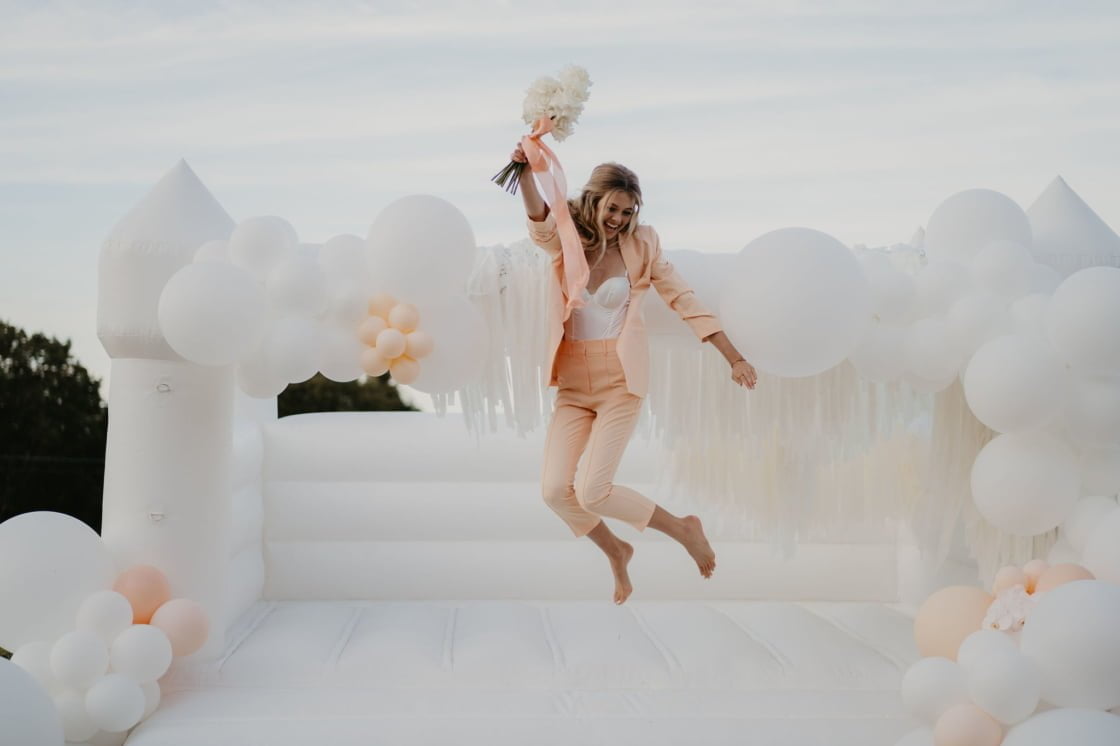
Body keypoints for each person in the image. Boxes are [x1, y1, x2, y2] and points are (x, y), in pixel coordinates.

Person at [511, 143, 758, 605]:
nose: (619, 219)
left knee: (594, 492)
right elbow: (538, 218)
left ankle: (683, 529)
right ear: (594, 200)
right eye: (613, 208)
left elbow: (682, 298)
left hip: (620, 381)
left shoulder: (643, 244)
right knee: (554, 491)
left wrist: (734, 357)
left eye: (628, 212)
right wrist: (524, 170)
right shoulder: (567, 235)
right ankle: (617, 550)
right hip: (573, 383)